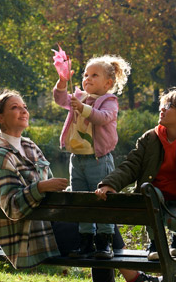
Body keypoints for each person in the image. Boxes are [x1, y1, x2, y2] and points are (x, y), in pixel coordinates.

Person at [0, 89, 163, 282]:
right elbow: (13, 208)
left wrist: (56, 192)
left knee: (97, 223)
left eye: (24, 106)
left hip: (48, 224)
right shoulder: (2, 156)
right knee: (97, 229)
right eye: (15, 108)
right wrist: (42, 187)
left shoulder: (29, 146)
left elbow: (49, 195)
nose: (23, 110)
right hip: (28, 237)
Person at [95, 89, 176, 261]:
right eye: (162, 105)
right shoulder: (150, 138)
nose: (162, 109)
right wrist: (110, 183)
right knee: (151, 197)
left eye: (168, 106)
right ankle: (155, 244)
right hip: (154, 197)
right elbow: (131, 165)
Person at [54, 55, 131, 259]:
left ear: (108, 82)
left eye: (94, 75)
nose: (87, 78)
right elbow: (60, 99)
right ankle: (86, 240)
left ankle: (104, 241)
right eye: (85, 75)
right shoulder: (78, 96)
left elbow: (103, 118)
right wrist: (62, 83)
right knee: (81, 200)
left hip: (99, 160)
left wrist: (84, 109)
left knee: (101, 199)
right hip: (76, 159)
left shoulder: (110, 101)